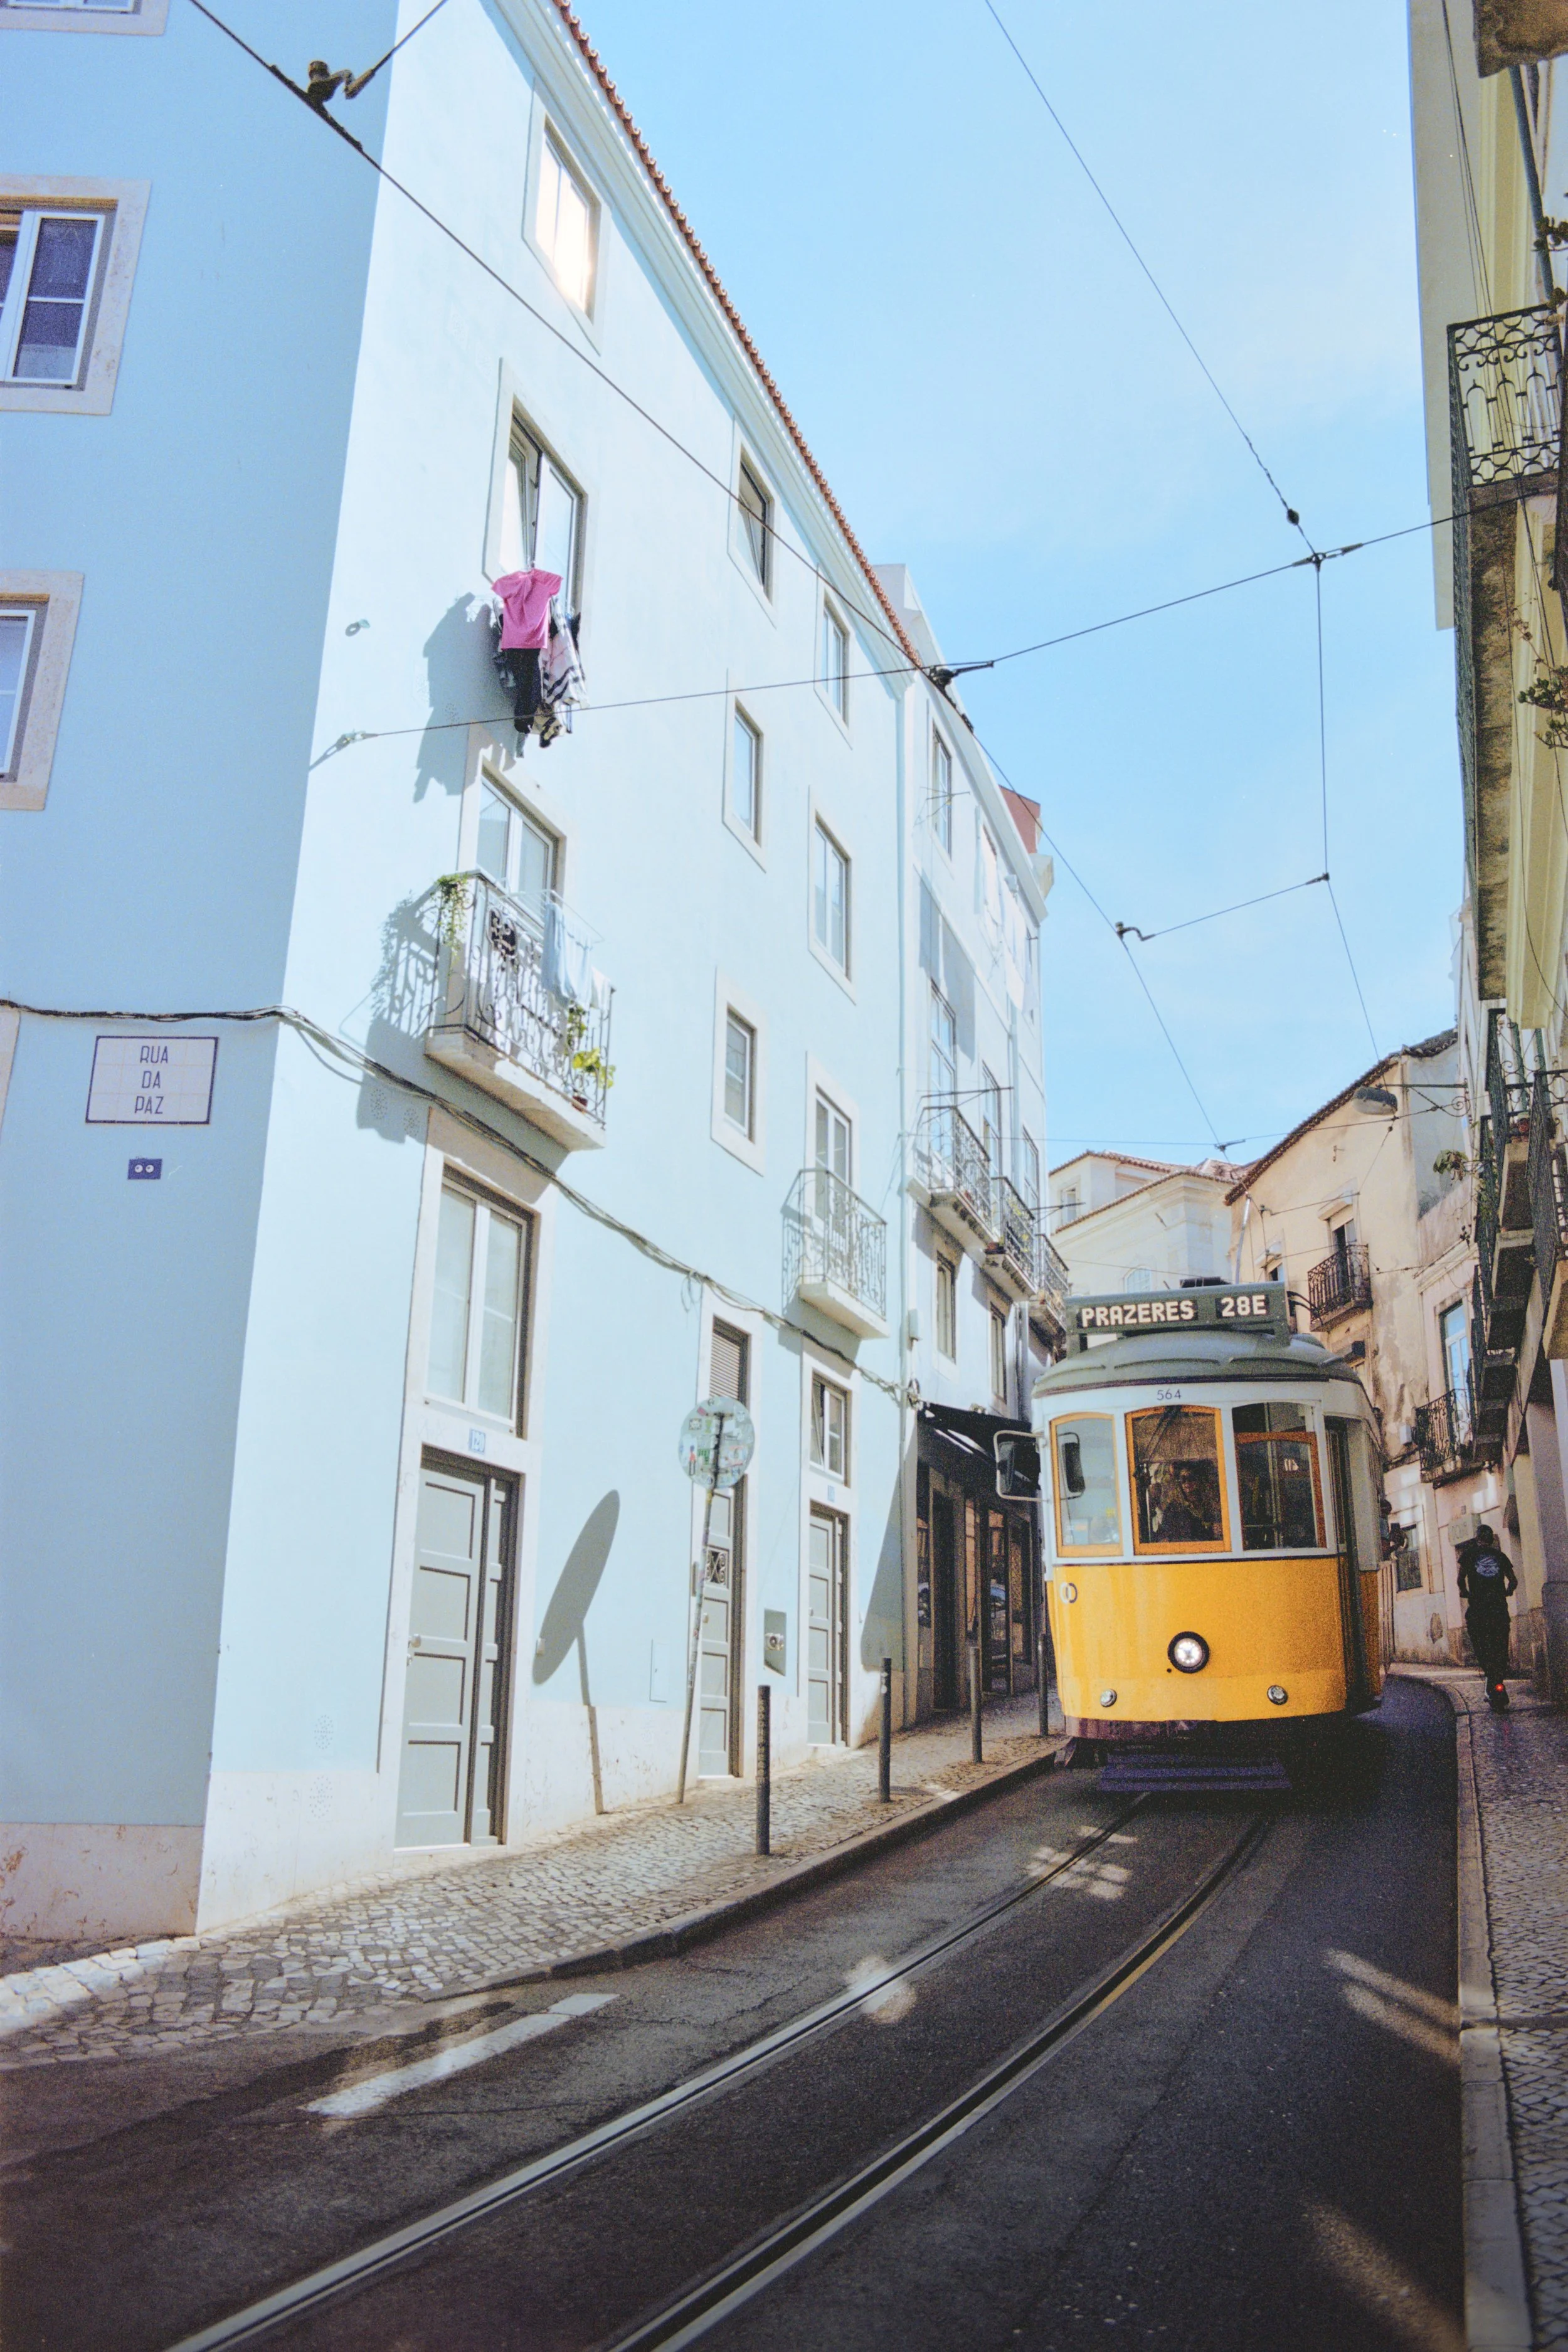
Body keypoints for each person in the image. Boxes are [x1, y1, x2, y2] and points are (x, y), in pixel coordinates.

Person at [1456, 1523, 1518, 1710]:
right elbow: (1513, 1581)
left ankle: (1494, 1686)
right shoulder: (1501, 1557)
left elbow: (1460, 1580)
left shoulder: (1468, 1555)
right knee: (1500, 1651)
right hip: (1499, 1611)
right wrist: (1507, 1592)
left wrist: (1465, 1592)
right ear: (1492, 1539)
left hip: (1478, 1613)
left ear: (1477, 1538)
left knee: (1482, 1651)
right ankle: (1497, 1686)